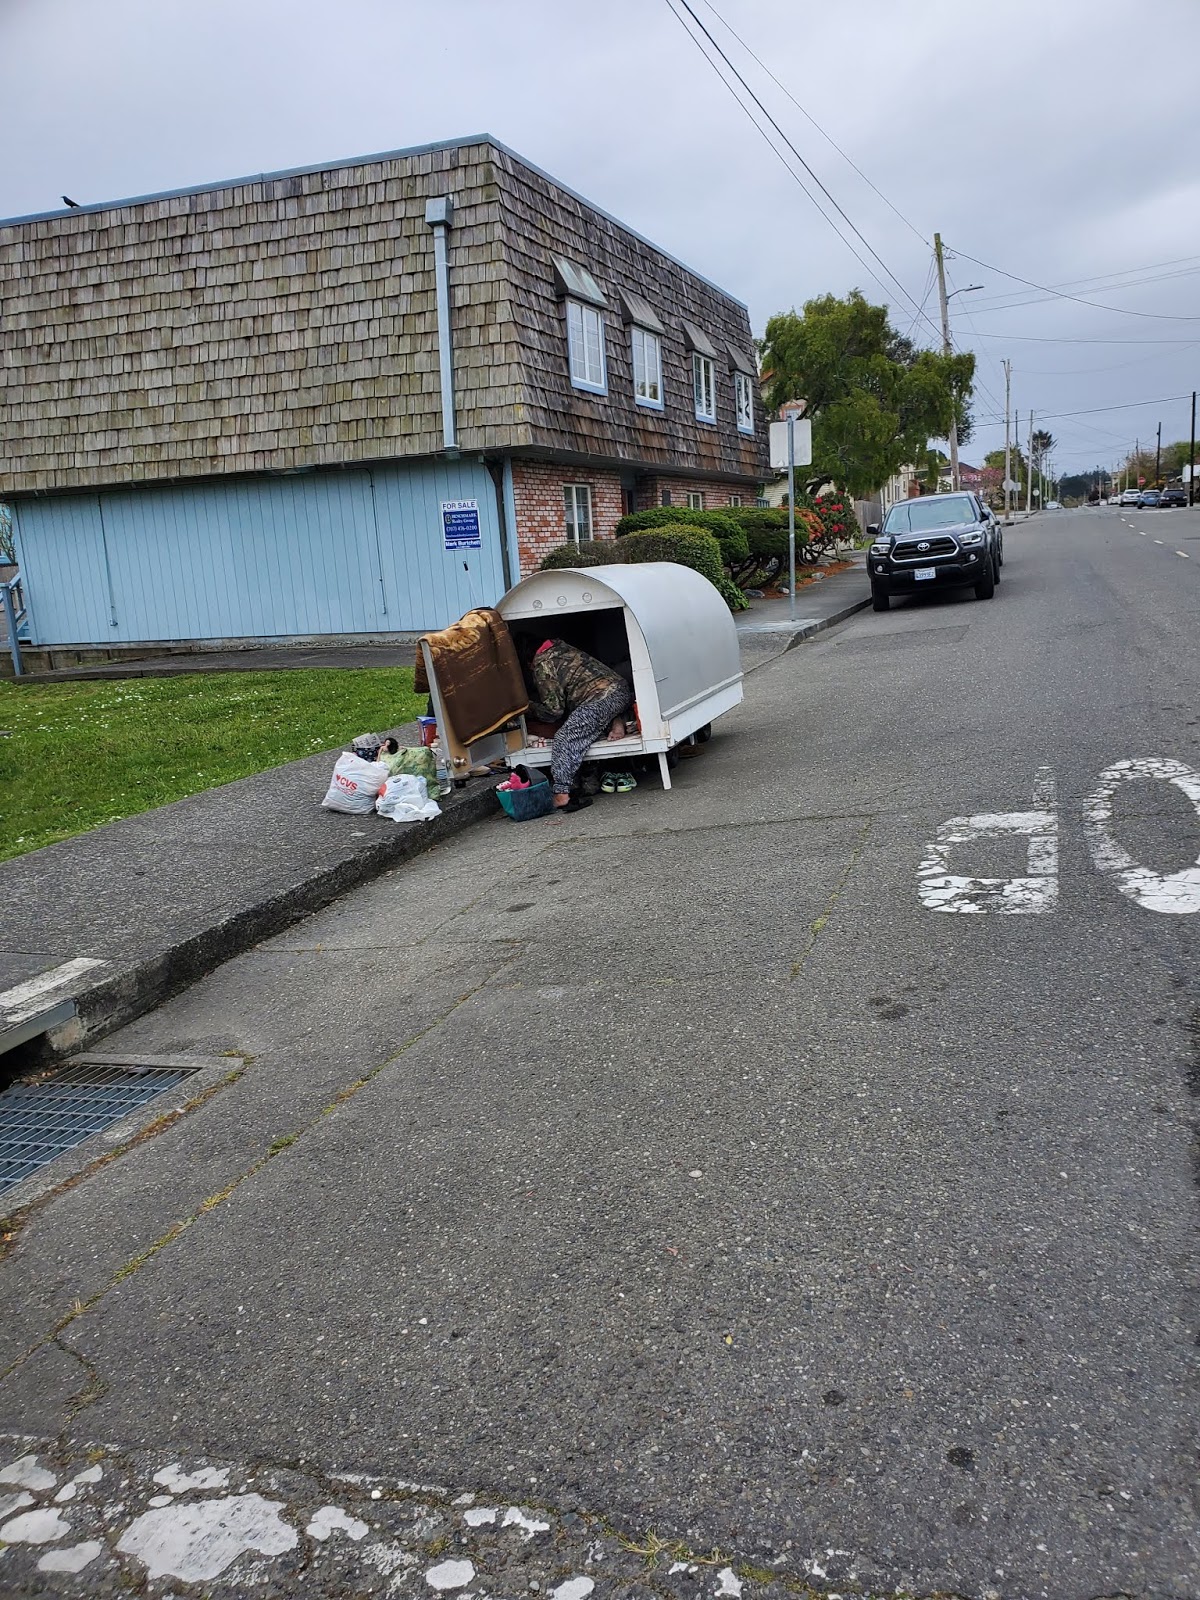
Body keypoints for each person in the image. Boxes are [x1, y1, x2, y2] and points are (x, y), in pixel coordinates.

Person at [524, 638, 632, 810]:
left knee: (565, 737)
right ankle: (617, 719)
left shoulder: (543, 664)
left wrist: (527, 707)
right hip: (620, 690)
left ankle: (561, 794)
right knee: (587, 728)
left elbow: (554, 711)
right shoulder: (560, 648)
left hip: (600, 699)